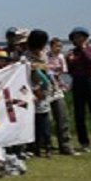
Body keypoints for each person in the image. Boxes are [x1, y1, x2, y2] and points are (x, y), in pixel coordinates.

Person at [24, 29, 54, 158]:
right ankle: (34, 146)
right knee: (33, 121)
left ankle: (47, 145)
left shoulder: (45, 55)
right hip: (31, 92)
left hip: (43, 91)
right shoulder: (25, 57)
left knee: (44, 120)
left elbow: (47, 71)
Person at [47, 37, 77, 156]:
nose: (59, 48)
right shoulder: (46, 56)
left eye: (60, 46)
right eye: (56, 46)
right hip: (47, 87)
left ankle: (65, 146)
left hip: (58, 87)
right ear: (51, 46)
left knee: (62, 116)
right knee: (47, 119)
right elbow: (46, 69)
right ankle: (47, 145)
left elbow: (63, 71)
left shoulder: (60, 57)